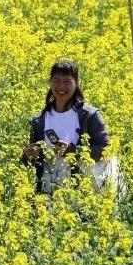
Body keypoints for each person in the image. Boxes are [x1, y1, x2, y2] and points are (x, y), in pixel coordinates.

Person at [21, 59, 110, 194]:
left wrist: (72, 151)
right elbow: (29, 164)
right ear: (50, 82)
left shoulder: (89, 116)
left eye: (67, 81)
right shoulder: (39, 121)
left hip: (83, 193)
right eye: (56, 81)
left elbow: (105, 149)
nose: (61, 87)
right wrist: (29, 155)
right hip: (47, 193)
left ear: (77, 83)